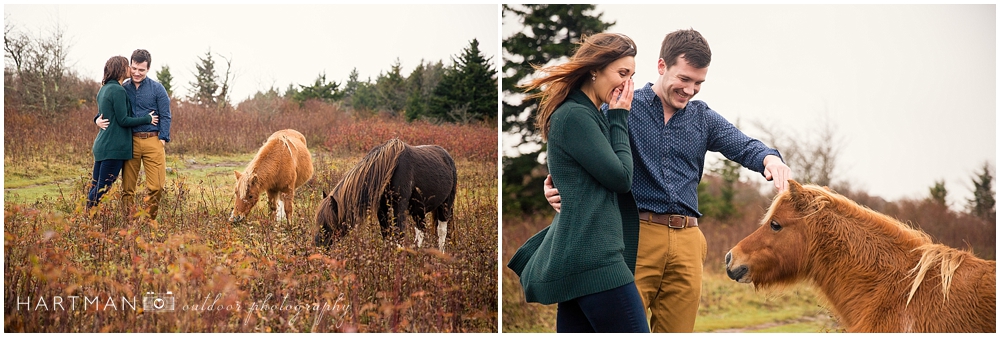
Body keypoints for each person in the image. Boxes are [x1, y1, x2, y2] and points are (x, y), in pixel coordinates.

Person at [544, 29, 793, 332]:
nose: (690, 90)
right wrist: (558, 187)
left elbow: (743, 145)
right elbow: (583, 152)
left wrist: (770, 159)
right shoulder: (621, 106)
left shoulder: (703, 118)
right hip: (634, 236)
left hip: (688, 242)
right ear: (662, 66)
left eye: (699, 82)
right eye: (684, 79)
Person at [506, 33, 648, 333]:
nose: (627, 84)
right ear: (595, 68)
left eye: (632, 76)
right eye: (622, 73)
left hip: (584, 259)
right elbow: (621, 178)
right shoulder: (575, 115)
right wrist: (619, 118)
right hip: (595, 260)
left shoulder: (588, 114)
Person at [97, 49, 172, 220]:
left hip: (153, 140)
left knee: (156, 186)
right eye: (134, 68)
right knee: (128, 188)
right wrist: (96, 120)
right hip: (129, 142)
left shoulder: (158, 89)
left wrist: (162, 138)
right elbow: (106, 106)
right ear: (129, 67)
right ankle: (129, 222)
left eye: (142, 70)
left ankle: (149, 220)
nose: (137, 73)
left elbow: (166, 114)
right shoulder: (121, 88)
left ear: (148, 69)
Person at [88, 56, 158, 211]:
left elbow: (105, 114)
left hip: (102, 145)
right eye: (128, 66)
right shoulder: (118, 90)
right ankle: (85, 216)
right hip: (114, 147)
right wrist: (147, 118)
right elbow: (123, 120)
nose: (130, 70)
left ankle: (87, 217)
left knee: (96, 186)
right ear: (121, 69)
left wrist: (96, 120)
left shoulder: (104, 88)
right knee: (102, 188)